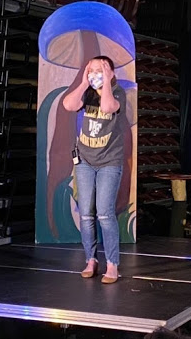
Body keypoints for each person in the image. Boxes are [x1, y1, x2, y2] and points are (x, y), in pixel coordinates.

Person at [62, 55, 126, 284]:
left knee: (105, 213)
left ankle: (112, 264)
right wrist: (83, 81)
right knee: (86, 213)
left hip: (109, 161)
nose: (94, 74)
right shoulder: (87, 92)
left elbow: (108, 108)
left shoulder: (117, 92)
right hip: (85, 161)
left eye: (99, 70)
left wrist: (106, 81)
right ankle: (91, 259)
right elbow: (68, 105)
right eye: (91, 70)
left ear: (110, 72)